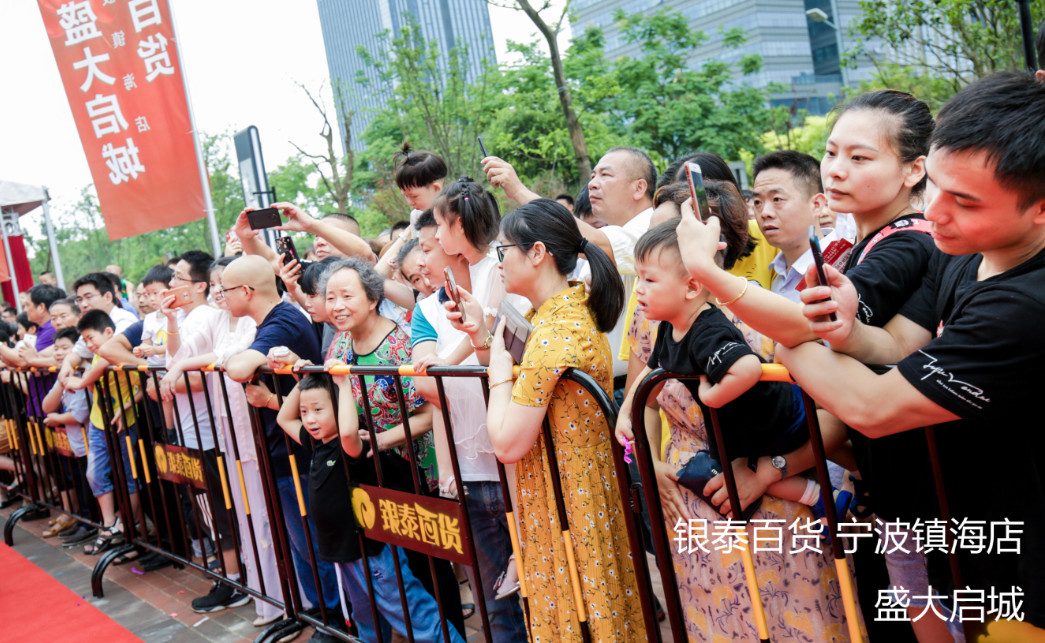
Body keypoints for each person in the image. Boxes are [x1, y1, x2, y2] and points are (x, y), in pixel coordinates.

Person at [779, 71, 1045, 639]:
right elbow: (898, 345)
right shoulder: (961, 252)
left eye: (965, 200)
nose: (937, 212)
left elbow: (873, 406)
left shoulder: (1023, 304)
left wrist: (786, 337)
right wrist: (844, 329)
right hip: (962, 535)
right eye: (939, 188)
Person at [453, 198, 645, 640]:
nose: (498, 262)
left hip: (568, 502)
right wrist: (483, 337)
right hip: (571, 492)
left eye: (503, 251)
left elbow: (507, 443)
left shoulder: (556, 333)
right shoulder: (556, 317)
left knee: (582, 617)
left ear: (537, 252)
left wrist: (498, 376)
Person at [277, 373, 464, 643]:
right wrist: (302, 380)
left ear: (341, 409)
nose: (309, 419)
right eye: (305, 412)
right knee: (366, 620)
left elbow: (349, 431)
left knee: (413, 613)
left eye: (318, 410)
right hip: (345, 554)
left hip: (373, 554)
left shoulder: (349, 447)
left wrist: (343, 385)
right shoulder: (316, 443)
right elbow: (284, 418)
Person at [159, 256, 283, 626]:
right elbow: (180, 357)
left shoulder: (256, 321)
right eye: (216, 285)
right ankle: (265, 599)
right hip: (228, 433)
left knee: (266, 517)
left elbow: (231, 359)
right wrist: (170, 323)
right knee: (246, 517)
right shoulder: (214, 318)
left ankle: (285, 600)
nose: (218, 292)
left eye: (223, 286)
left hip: (256, 429)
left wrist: (189, 363)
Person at [221, 255, 342, 632]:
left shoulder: (283, 320)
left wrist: (233, 363)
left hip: (298, 452)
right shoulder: (270, 323)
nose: (220, 299)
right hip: (283, 451)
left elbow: (240, 368)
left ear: (245, 291)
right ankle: (320, 617)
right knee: (300, 543)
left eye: (223, 291)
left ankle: (334, 622)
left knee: (311, 543)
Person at [66, 309, 142, 555]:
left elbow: (143, 385)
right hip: (99, 422)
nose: (89, 345)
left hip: (126, 422)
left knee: (131, 479)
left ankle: (133, 531)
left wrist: (127, 405)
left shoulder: (119, 354)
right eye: (85, 341)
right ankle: (110, 525)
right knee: (95, 474)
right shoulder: (96, 360)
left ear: (109, 332)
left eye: (91, 338)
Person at [751, 151, 831, 302]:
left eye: (777, 199)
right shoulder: (777, 274)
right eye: (757, 202)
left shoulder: (845, 265)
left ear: (816, 204)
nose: (765, 213)